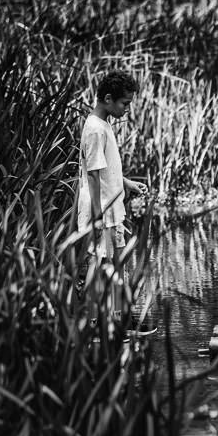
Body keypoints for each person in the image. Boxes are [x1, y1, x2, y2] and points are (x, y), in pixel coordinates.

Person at [76, 70, 148, 330]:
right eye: (124, 103)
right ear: (107, 99)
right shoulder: (95, 129)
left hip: (111, 208)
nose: (127, 109)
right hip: (101, 210)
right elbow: (93, 176)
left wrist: (126, 183)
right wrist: (97, 215)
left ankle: (119, 321)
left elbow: (104, 169)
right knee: (99, 264)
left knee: (117, 265)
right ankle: (96, 322)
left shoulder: (104, 124)